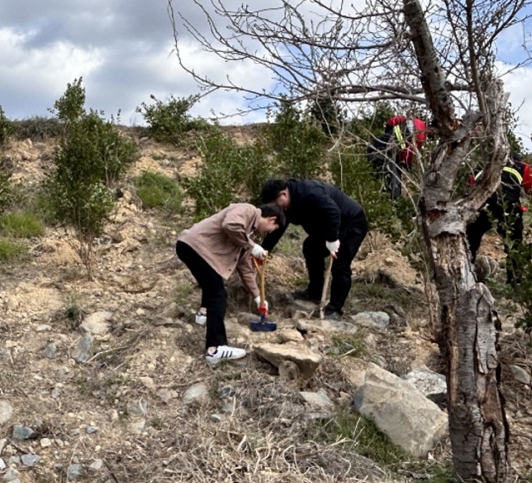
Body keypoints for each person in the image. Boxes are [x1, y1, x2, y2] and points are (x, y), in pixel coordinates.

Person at [176, 202, 285, 366]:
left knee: (214, 283)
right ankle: (215, 348)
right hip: (195, 247)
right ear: (271, 219)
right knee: (218, 294)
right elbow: (230, 224)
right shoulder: (248, 210)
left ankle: (203, 316)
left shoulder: (247, 235)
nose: (269, 233)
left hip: (194, 248)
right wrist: (252, 246)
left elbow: (245, 268)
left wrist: (258, 297)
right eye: (272, 229)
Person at [260, 178, 368, 319]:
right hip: (327, 227)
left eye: (276, 204)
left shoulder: (310, 193)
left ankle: (335, 309)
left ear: (283, 195)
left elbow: (333, 212)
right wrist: (264, 250)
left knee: (340, 264)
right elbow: (279, 227)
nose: (277, 209)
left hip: (351, 223)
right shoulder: (286, 206)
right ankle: (315, 292)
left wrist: (332, 239)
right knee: (311, 248)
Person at [467, 152, 532, 285]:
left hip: (483, 206)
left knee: (470, 242)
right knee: (514, 247)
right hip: (508, 209)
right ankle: (514, 282)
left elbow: (470, 188)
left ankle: (466, 274)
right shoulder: (521, 167)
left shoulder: (481, 166)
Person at [367, 115, 429, 199]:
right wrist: (407, 165)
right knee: (394, 168)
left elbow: (393, 120)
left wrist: (387, 131)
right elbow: (409, 152)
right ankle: (395, 195)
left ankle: (381, 182)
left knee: (372, 149)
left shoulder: (415, 120)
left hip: (395, 139)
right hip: (398, 146)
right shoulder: (422, 136)